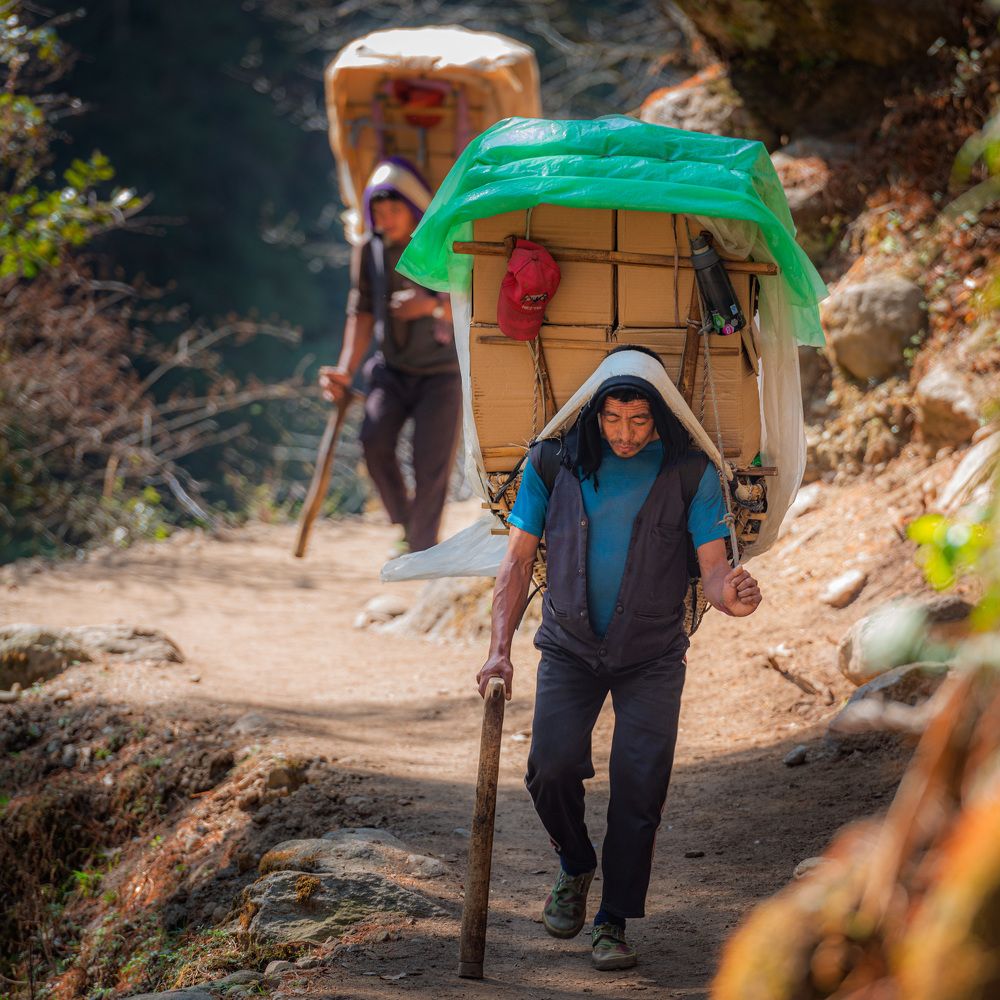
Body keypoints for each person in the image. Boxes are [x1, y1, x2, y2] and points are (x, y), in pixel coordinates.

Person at [476, 345, 762, 972]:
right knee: (550, 768)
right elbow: (519, 559)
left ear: (660, 414)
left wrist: (733, 598)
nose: (626, 434)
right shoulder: (554, 462)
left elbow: (714, 572)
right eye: (613, 419)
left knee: (640, 788)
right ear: (594, 415)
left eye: (639, 420)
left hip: (653, 654)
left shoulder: (692, 473)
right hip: (569, 648)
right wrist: (499, 652)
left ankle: (613, 921)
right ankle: (576, 865)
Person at [319, 158, 462, 554]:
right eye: (378, 212)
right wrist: (345, 369)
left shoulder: (444, 243)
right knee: (374, 440)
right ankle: (405, 523)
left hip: (443, 373)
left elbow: (472, 302)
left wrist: (430, 307)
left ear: (414, 209)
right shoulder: (371, 251)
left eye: (394, 210)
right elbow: (361, 311)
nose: (386, 219)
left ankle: (421, 546)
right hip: (392, 368)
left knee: (430, 464)